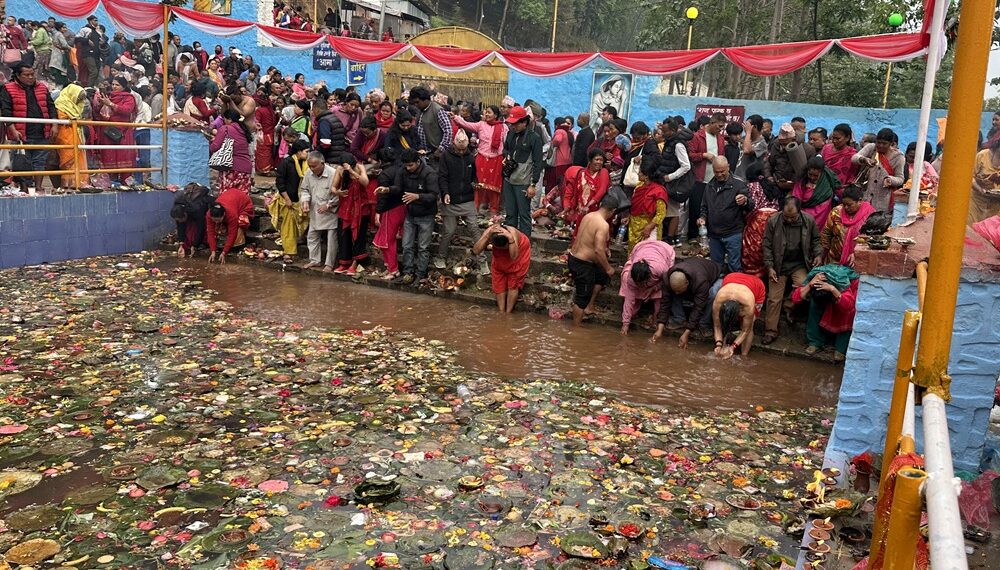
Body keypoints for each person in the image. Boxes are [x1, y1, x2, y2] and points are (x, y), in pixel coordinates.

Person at [761, 195, 822, 345]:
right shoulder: (773, 220)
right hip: (778, 265)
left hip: (799, 264)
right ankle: (770, 331)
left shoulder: (808, 220)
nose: (789, 220)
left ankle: (789, 306)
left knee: (803, 287)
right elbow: (766, 244)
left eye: (792, 217)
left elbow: (816, 240)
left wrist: (818, 255)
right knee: (774, 298)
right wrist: (769, 267)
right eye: (786, 217)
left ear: (799, 212)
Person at [434, 130, 487, 273]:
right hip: (450, 198)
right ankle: (441, 256)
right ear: (454, 145)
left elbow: (474, 175)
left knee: (474, 228)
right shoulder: (446, 156)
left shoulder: (470, 156)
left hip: (467, 198)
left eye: (464, 149)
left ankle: (482, 260)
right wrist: (445, 193)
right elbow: (442, 177)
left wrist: (475, 183)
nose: (461, 152)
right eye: (459, 149)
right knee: (449, 230)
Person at [1, 63, 58, 193]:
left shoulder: (42, 87)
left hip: (42, 132)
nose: (31, 77)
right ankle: (24, 188)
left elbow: (51, 107)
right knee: (21, 161)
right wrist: (13, 130)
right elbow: (6, 111)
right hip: (21, 133)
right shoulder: (8, 89)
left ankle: (38, 187)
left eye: (32, 74)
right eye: (27, 75)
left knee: (40, 161)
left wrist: (54, 125)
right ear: (18, 76)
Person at [567, 193, 619, 326]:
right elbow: (598, 250)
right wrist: (608, 268)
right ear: (612, 211)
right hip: (582, 263)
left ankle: (590, 306)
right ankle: (576, 329)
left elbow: (588, 238)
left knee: (601, 276)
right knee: (582, 298)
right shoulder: (603, 225)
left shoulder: (589, 215)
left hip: (574, 257)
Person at [792, 264, 860, 361]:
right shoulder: (816, 276)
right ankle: (815, 342)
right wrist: (810, 284)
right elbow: (795, 298)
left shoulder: (843, 283)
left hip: (841, 296)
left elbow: (848, 306)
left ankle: (840, 348)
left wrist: (833, 290)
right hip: (826, 295)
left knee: (848, 313)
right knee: (814, 305)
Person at [651, 257, 721, 348]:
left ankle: (704, 324)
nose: (677, 293)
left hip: (716, 276)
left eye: (679, 290)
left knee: (713, 294)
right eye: (675, 290)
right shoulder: (667, 278)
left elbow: (698, 307)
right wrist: (660, 329)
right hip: (694, 271)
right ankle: (679, 319)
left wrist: (687, 333)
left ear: (687, 283)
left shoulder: (700, 281)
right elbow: (665, 302)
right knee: (674, 293)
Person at [699, 156, 754, 273]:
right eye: (716, 172)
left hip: (733, 233)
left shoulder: (739, 184)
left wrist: (744, 200)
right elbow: (704, 206)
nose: (719, 175)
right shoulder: (709, 186)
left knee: (735, 266)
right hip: (714, 235)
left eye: (722, 171)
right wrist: (702, 217)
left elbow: (751, 205)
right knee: (716, 267)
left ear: (728, 167)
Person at [395, 149, 440, 284]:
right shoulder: (403, 171)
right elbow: (398, 188)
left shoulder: (429, 173)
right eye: (406, 166)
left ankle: (421, 274)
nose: (408, 168)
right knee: (406, 245)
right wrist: (387, 189)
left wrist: (418, 196)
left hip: (426, 215)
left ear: (418, 162)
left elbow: (434, 195)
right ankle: (407, 273)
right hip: (410, 214)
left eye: (411, 165)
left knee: (423, 247)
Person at [452, 104, 506, 213]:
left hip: (496, 159)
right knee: (478, 184)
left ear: (495, 115)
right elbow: (466, 124)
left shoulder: (504, 127)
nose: (486, 114)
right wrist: (455, 118)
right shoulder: (481, 125)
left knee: (494, 186)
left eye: (489, 112)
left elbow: (506, 144)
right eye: (486, 112)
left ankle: (493, 210)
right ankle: (475, 209)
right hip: (482, 158)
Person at [502, 105, 543, 236]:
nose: (513, 126)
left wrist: (533, 184)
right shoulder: (510, 133)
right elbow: (505, 149)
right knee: (510, 214)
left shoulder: (534, 138)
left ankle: (525, 243)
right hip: (508, 179)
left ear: (524, 122)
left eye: (516, 123)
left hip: (523, 182)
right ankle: (510, 240)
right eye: (511, 123)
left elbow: (538, 163)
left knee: (524, 215)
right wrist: (506, 156)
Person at [619, 240, 675, 334]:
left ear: (649, 276)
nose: (640, 286)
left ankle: (655, 318)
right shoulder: (630, 277)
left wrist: (654, 288)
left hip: (665, 250)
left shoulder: (660, 269)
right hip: (641, 247)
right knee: (632, 312)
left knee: (660, 297)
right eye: (637, 283)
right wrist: (625, 324)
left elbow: (666, 282)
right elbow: (629, 299)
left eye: (641, 283)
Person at [473, 224, 531, 313]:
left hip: (518, 250)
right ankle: (501, 311)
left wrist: (511, 240)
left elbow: (514, 257)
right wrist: (487, 237)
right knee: (498, 278)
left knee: (514, 281)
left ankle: (508, 312)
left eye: (504, 248)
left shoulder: (512, 233)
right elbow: (476, 250)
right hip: (499, 253)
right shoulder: (490, 232)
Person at [270, 139, 311, 263]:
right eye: (306, 151)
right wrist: (287, 199)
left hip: (302, 200)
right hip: (288, 201)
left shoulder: (307, 163)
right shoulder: (286, 163)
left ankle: (301, 239)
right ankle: (289, 252)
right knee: (288, 228)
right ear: (299, 152)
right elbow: (280, 183)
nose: (308, 154)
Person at [688, 112, 727, 238]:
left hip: (715, 180)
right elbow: (690, 155)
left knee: (712, 208)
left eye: (722, 127)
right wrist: (704, 155)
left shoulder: (720, 139)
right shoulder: (697, 136)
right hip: (699, 179)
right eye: (719, 126)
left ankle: (709, 235)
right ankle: (693, 236)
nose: (720, 129)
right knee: (696, 208)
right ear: (711, 123)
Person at [740, 161, 783, 277]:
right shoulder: (771, 185)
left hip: (758, 222)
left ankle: (755, 278)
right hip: (775, 219)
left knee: (754, 251)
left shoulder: (752, 186)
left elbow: (752, 206)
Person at [300, 151, 341, 271]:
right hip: (315, 209)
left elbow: (340, 194)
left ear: (322, 163)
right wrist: (305, 201)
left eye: (314, 166)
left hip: (331, 211)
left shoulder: (334, 174)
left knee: (332, 239)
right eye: (310, 166)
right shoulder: (308, 173)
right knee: (312, 236)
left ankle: (329, 263)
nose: (312, 169)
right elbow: (304, 189)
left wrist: (328, 205)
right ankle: (314, 260)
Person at [711, 271, 766, 358]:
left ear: (741, 309)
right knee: (723, 321)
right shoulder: (719, 299)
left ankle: (744, 355)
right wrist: (718, 344)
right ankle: (722, 348)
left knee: (750, 324)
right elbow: (717, 325)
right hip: (731, 278)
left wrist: (732, 347)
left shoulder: (748, 304)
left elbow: (746, 330)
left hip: (756, 285)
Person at [333, 153, 372, 275]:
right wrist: (338, 192)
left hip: (360, 208)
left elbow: (365, 182)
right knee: (344, 235)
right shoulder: (339, 169)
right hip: (345, 207)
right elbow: (333, 188)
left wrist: (352, 171)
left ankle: (356, 263)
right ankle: (344, 263)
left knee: (359, 236)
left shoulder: (360, 167)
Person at [656, 119, 692, 245]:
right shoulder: (670, 142)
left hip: (673, 183)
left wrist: (670, 177)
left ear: (672, 130)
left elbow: (686, 166)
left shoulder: (678, 145)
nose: (663, 133)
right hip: (668, 181)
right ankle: (674, 237)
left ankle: (670, 238)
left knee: (673, 211)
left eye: (665, 131)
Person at [820, 185, 876, 266]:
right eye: (844, 204)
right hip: (834, 260)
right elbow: (826, 234)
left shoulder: (870, 215)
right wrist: (821, 256)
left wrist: (857, 253)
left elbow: (873, 239)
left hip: (858, 261)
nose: (846, 207)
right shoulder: (836, 212)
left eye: (849, 205)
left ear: (860, 201)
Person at [852, 128, 904, 213]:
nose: (880, 146)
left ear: (891, 144)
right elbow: (854, 158)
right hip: (865, 194)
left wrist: (890, 179)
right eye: (878, 142)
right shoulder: (871, 148)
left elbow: (900, 178)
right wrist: (864, 160)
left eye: (884, 144)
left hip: (883, 199)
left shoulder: (898, 157)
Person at [372, 148, 405, 279]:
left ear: (380, 161)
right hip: (402, 207)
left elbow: (382, 197)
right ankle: (389, 267)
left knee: (386, 241)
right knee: (388, 239)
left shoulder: (384, 175)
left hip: (390, 210)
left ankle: (393, 270)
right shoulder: (401, 170)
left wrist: (378, 212)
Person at [627, 154, 668, 251]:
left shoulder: (659, 191)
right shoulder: (639, 186)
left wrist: (649, 227)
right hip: (634, 227)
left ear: (646, 176)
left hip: (649, 228)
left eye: (640, 172)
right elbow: (635, 206)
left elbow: (661, 214)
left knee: (647, 252)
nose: (638, 174)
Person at [51, 83, 87, 189]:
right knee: (68, 161)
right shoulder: (61, 102)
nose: (79, 101)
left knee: (78, 160)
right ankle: (67, 185)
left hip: (76, 135)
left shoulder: (76, 105)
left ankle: (79, 184)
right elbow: (60, 117)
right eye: (78, 98)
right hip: (64, 135)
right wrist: (72, 120)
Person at [562, 149, 610, 228]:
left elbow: (602, 190)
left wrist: (589, 205)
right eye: (597, 159)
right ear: (590, 160)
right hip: (581, 211)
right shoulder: (582, 173)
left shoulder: (603, 172)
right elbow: (576, 193)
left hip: (595, 210)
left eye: (601, 160)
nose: (599, 162)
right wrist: (569, 208)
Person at [210, 109, 254, 194]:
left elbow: (215, 147)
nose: (224, 122)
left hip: (231, 167)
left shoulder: (226, 128)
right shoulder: (243, 130)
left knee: (227, 197)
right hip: (246, 168)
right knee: (241, 197)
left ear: (229, 119)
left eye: (225, 120)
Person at [791, 155, 840, 231]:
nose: (812, 177)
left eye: (816, 176)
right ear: (807, 171)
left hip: (822, 218)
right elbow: (796, 199)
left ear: (821, 173)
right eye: (810, 174)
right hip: (804, 216)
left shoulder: (827, 181)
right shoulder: (802, 182)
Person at [206, 189, 254, 264]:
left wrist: (224, 252)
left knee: (241, 222)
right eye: (214, 220)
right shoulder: (209, 214)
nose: (216, 222)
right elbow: (210, 232)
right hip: (231, 199)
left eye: (218, 220)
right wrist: (213, 251)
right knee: (217, 228)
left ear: (224, 214)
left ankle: (238, 244)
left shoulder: (232, 214)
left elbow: (232, 234)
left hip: (244, 204)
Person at [409, 86, 452, 159]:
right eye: (414, 103)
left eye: (417, 102)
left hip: (435, 153)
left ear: (425, 99)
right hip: (423, 153)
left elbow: (448, 131)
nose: (416, 105)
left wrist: (440, 149)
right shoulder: (419, 111)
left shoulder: (438, 110)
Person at [171, 183, 212, 257]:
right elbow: (180, 226)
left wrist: (195, 245)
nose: (179, 221)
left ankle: (202, 243)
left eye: (180, 219)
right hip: (191, 211)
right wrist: (181, 244)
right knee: (187, 234)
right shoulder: (178, 208)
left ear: (185, 214)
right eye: (178, 220)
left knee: (196, 232)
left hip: (203, 210)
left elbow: (201, 227)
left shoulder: (197, 208)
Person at [766, 122, 807, 194]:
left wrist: (794, 182)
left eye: (785, 143)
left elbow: (805, 170)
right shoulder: (775, 146)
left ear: (793, 139)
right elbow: (769, 163)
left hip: (796, 186)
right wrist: (769, 176)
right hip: (777, 182)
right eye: (781, 143)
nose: (783, 146)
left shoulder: (806, 149)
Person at [821, 123, 859, 192]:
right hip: (823, 185)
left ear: (847, 138)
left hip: (841, 189)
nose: (834, 141)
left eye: (838, 139)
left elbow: (853, 174)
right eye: (833, 138)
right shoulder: (826, 148)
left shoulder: (852, 154)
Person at [970, 138, 1000, 224]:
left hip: (995, 207)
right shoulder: (983, 155)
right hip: (976, 201)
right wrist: (979, 188)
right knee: (969, 227)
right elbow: (969, 176)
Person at [545, 116, 575, 191]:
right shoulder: (568, 132)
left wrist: (553, 144)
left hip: (559, 161)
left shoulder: (559, 131)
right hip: (568, 160)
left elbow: (557, 140)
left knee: (557, 183)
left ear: (556, 125)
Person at [312, 97, 347, 164]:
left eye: (313, 110)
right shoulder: (334, 117)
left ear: (316, 109)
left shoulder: (324, 121)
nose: (313, 113)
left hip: (330, 159)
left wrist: (316, 153)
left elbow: (325, 143)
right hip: (339, 156)